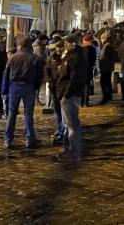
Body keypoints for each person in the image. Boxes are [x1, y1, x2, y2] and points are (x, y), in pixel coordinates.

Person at [2, 36, 43, 150]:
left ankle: (8, 140)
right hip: (29, 87)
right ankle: (29, 139)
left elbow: (6, 75)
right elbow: (39, 76)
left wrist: (4, 89)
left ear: (20, 46)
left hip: (14, 87)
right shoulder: (34, 58)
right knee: (28, 115)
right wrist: (36, 86)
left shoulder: (12, 58)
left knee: (11, 114)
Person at [55, 33, 89, 161]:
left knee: (72, 124)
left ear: (71, 43)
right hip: (67, 93)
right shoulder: (71, 55)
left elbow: (74, 78)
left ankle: (74, 153)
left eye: (66, 43)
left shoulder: (76, 57)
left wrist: (66, 92)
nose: (64, 45)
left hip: (70, 94)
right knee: (68, 123)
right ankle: (69, 150)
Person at [45, 40, 65, 143]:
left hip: (63, 88)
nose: (58, 49)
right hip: (54, 87)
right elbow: (47, 69)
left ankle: (63, 131)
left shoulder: (66, 57)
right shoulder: (52, 57)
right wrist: (50, 81)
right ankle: (59, 128)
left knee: (64, 110)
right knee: (57, 109)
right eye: (56, 48)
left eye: (60, 47)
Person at [98, 34, 116, 104]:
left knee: (104, 83)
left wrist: (101, 67)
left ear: (104, 39)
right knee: (107, 82)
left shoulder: (107, 46)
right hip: (107, 68)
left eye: (101, 39)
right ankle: (109, 97)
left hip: (105, 68)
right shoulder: (109, 45)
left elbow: (105, 59)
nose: (101, 40)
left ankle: (106, 97)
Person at [81, 34, 97, 107]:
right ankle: (85, 102)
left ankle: (81, 102)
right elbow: (93, 60)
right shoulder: (92, 49)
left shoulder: (81, 49)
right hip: (88, 70)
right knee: (86, 86)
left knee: (82, 86)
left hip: (81, 71)